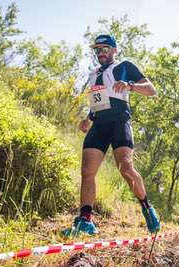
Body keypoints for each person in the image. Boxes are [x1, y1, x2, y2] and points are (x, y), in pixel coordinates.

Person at [63, 34, 160, 236]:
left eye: (105, 49)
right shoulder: (94, 73)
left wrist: (131, 86)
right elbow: (99, 101)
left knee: (125, 168)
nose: (100, 53)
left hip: (119, 122)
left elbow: (152, 90)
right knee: (87, 171)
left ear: (114, 50)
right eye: (97, 50)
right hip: (99, 124)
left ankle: (147, 208)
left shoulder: (124, 65)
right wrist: (88, 118)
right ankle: (85, 220)